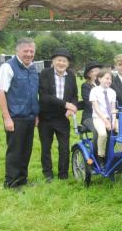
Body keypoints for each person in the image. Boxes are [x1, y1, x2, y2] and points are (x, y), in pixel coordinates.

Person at [0, 38, 39, 188]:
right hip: (15, 118)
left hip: (30, 117)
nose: (29, 54)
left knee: (26, 151)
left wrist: (36, 115)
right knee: (15, 151)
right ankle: (11, 183)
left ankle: (22, 180)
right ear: (17, 51)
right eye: (25, 51)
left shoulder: (33, 68)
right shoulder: (8, 67)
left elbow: (34, 94)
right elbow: (0, 93)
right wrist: (7, 118)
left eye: (31, 51)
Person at [37, 48, 78, 182]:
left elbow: (74, 96)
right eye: (59, 60)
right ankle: (48, 174)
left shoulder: (71, 76)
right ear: (53, 61)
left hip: (62, 118)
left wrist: (73, 107)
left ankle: (63, 174)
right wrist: (65, 104)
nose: (61, 63)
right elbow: (44, 96)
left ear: (68, 63)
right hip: (46, 118)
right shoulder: (45, 73)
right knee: (46, 147)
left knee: (64, 148)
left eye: (64, 61)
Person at [89, 69, 118, 163]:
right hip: (99, 118)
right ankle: (101, 156)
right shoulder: (94, 91)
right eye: (107, 78)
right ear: (99, 78)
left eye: (110, 79)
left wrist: (113, 121)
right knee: (102, 134)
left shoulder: (112, 92)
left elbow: (113, 108)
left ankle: (119, 154)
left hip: (111, 117)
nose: (109, 81)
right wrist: (106, 121)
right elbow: (96, 109)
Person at [79, 60, 102, 134]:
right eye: (94, 71)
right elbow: (89, 104)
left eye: (98, 70)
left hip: (104, 116)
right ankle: (98, 146)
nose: (97, 72)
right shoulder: (86, 86)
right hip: (90, 116)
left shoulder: (105, 85)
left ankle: (107, 146)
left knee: (112, 130)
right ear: (89, 74)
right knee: (98, 130)